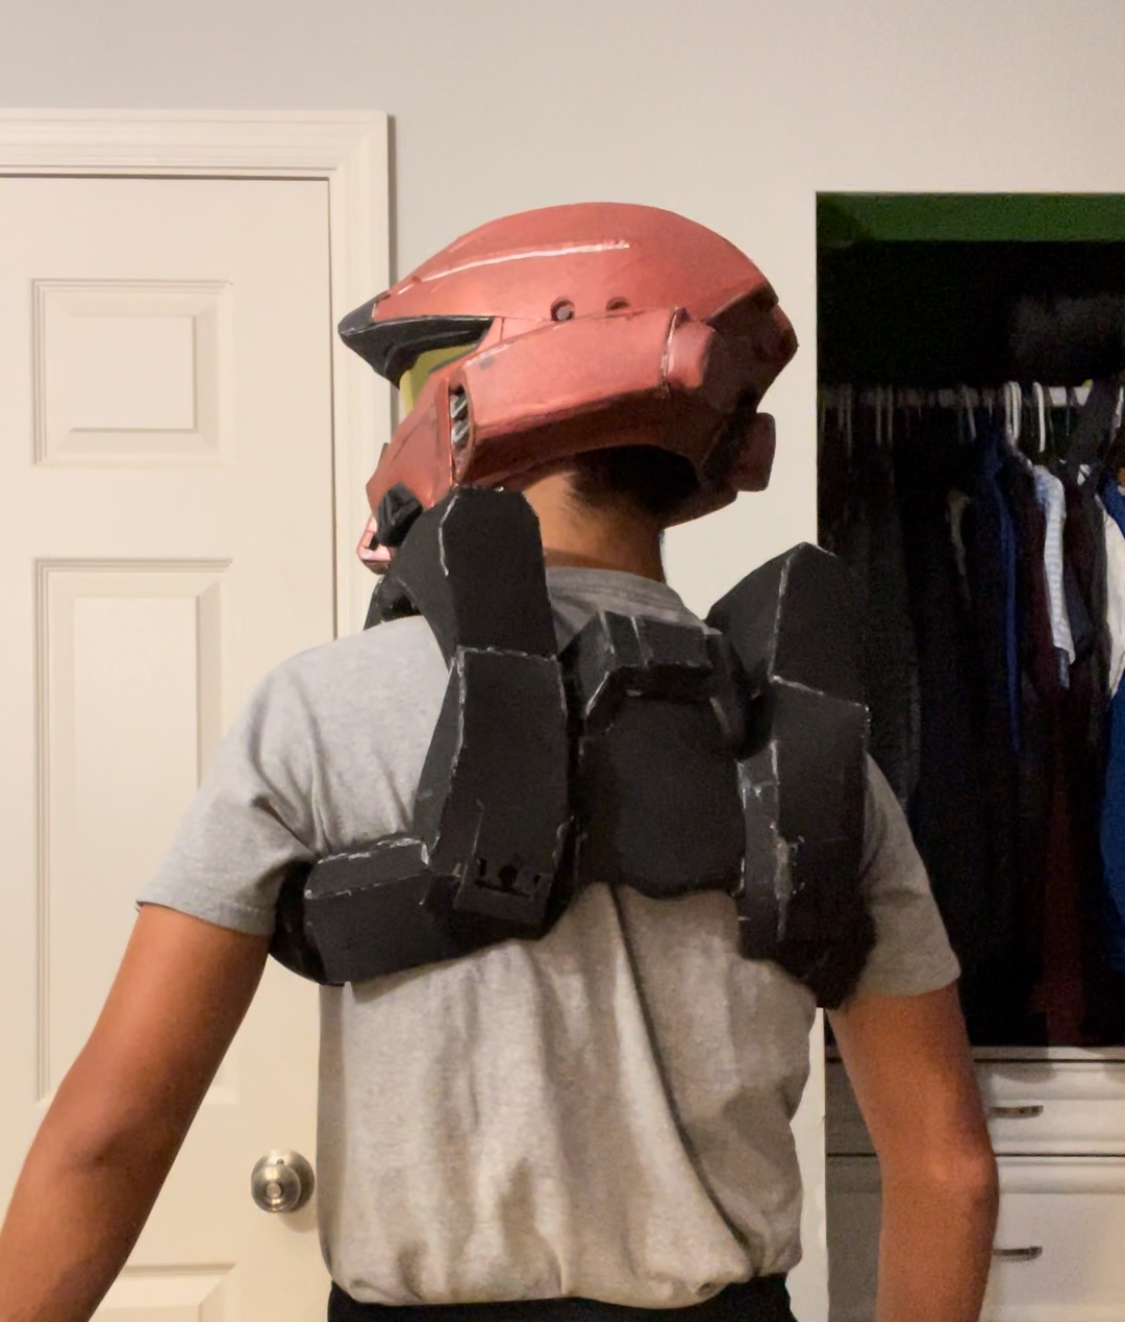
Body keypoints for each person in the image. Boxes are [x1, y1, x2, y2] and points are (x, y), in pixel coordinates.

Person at [0, 204, 998, 1322]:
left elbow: (112, 1134)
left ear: (502, 382)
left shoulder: (324, 709)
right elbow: (948, 1171)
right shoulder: (814, 743)